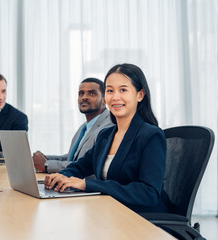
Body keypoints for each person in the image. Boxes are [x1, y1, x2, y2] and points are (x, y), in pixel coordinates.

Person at [44, 63, 169, 213]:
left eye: (123, 90)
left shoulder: (151, 136)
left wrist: (86, 185)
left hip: (141, 219)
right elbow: (80, 166)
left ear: (140, 95)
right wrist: (60, 177)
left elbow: (148, 193)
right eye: (110, 90)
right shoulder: (105, 136)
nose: (115, 97)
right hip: (110, 212)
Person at [33, 78, 114, 173]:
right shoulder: (84, 127)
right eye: (81, 93)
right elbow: (73, 157)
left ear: (104, 100)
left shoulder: (109, 125)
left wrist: (47, 165)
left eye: (92, 93)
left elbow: (88, 164)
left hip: (88, 185)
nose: (84, 97)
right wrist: (45, 158)